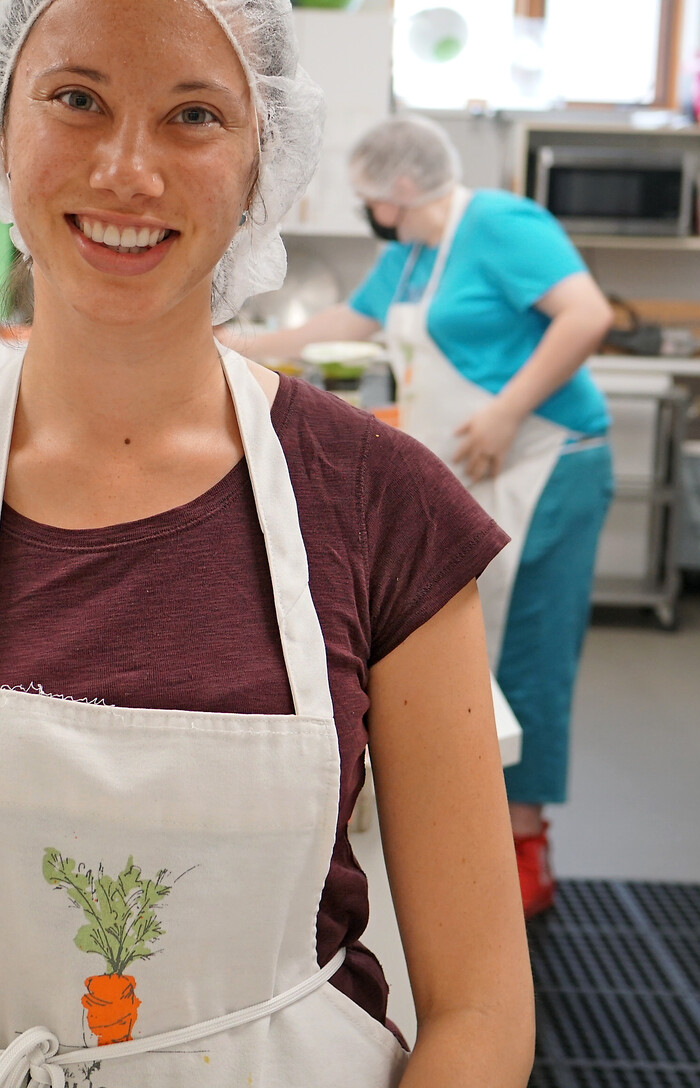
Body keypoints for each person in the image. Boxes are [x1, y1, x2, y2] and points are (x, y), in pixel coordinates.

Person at [0, 0, 534, 1087]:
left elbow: (478, 1015)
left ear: (263, 160)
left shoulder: (379, 506)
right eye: (76, 99)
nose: (127, 169)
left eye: (194, 114)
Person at [233, 115, 615, 918]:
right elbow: (347, 324)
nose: (366, 203)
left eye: (370, 190)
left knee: (532, 652)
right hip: (483, 467)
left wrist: (509, 412)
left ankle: (527, 844)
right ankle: (480, 828)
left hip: (549, 459)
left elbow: (587, 316)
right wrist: (240, 344)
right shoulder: (409, 257)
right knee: (480, 641)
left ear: (400, 185)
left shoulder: (504, 225)